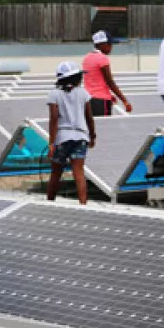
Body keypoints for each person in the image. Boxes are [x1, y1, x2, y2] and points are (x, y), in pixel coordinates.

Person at [47, 62, 96, 205]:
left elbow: (54, 119)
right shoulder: (83, 93)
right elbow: (89, 117)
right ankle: (83, 203)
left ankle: (50, 202)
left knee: (56, 172)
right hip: (81, 137)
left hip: (62, 138)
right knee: (79, 172)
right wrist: (92, 136)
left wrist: (51, 143)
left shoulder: (54, 94)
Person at [82, 30, 132, 117]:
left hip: (88, 99)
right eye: (110, 44)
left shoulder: (87, 58)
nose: (111, 47)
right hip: (101, 101)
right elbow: (110, 82)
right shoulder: (102, 59)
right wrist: (124, 101)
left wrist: (109, 95)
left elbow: (95, 81)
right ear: (103, 44)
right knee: (105, 127)